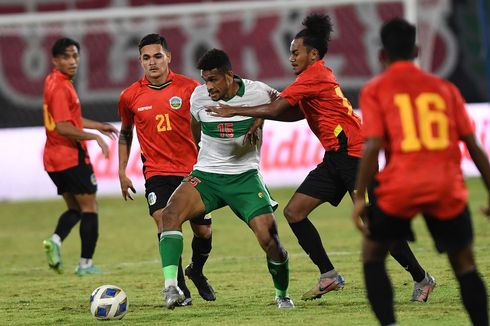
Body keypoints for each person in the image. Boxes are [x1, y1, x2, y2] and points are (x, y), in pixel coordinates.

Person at [207, 14, 435, 302]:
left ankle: (422, 278)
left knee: (374, 224)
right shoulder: (310, 80)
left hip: (355, 155)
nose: (290, 58)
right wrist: (258, 120)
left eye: (295, 52)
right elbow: (293, 113)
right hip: (336, 158)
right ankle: (328, 275)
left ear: (313, 54)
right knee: (295, 212)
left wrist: (235, 111)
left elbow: (277, 108)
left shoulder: (314, 76)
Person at [352, 18, 490, 326]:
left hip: (401, 186)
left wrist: (360, 195)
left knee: (373, 255)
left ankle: (390, 323)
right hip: (446, 186)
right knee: (465, 264)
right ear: (417, 50)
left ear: (382, 56)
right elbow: (474, 147)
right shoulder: (445, 89)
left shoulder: (375, 90)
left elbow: (372, 145)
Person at [159, 48, 293, 310]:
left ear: (229, 76)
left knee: (270, 241)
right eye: (205, 80)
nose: (208, 86)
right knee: (169, 215)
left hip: (244, 178)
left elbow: (285, 108)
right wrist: (202, 157)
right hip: (207, 175)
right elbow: (195, 126)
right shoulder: (198, 97)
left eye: (214, 80)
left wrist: (259, 118)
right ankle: (171, 286)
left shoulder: (258, 92)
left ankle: (282, 294)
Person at [118, 34, 216, 306]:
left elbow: (208, 122)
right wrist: (122, 171)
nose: (152, 62)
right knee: (165, 222)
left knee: (203, 233)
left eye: (157, 56)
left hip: (192, 171)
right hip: (157, 172)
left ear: (169, 57)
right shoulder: (130, 96)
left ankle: (196, 270)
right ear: (139, 61)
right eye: (146, 58)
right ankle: (179, 290)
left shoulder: (190, 89)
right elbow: (125, 134)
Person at [42, 37, 118, 276]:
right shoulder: (61, 87)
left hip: (53, 159)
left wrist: (98, 126)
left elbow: (69, 120)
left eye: (75, 56)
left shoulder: (53, 81)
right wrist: (94, 137)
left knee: (75, 207)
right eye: (66, 56)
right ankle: (85, 264)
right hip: (70, 157)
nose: (73, 61)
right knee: (90, 208)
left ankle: (54, 241)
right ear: (55, 60)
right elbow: (63, 127)